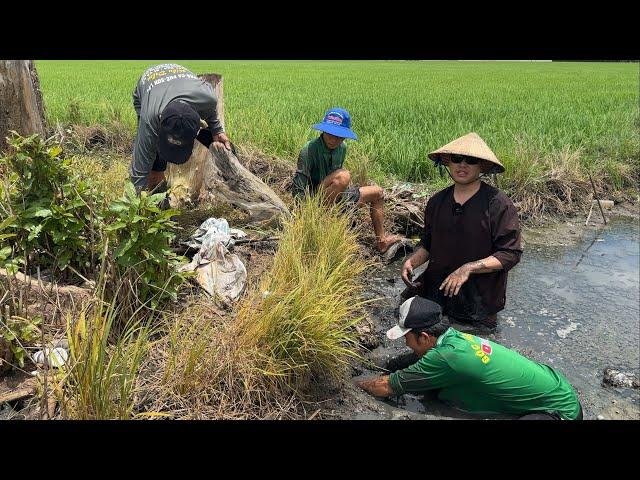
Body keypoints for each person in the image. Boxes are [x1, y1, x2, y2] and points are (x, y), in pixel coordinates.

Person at [357, 296, 583, 420]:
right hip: (559, 388)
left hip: (560, 413)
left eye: (407, 337)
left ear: (425, 336)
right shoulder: (455, 338)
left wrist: (353, 385)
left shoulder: (444, 358)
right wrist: (387, 364)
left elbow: (385, 388)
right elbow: (414, 361)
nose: (405, 343)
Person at [400, 132, 522, 332]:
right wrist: (412, 262)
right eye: (456, 159)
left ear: (481, 166)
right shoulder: (437, 201)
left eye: (471, 160)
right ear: (448, 163)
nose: (462, 165)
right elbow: (428, 245)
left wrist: (468, 268)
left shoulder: (498, 204)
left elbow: (510, 254)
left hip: (478, 302)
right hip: (437, 293)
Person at [292, 107, 401, 253]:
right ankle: (324, 219)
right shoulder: (309, 150)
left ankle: (381, 241)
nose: (333, 139)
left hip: (338, 196)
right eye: (330, 134)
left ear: (344, 137)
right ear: (324, 131)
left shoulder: (342, 148)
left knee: (378, 193)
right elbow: (299, 188)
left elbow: (337, 184)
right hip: (315, 201)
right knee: (344, 176)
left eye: (339, 136)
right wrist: (304, 217)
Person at [130, 63, 232, 194]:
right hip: (149, 81)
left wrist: (217, 130)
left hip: (180, 80)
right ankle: (157, 190)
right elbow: (138, 171)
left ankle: (158, 191)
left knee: (184, 132)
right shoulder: (150, 119)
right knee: (151, 153)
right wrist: (134, 205)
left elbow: (210, 110)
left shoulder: (208, 98)